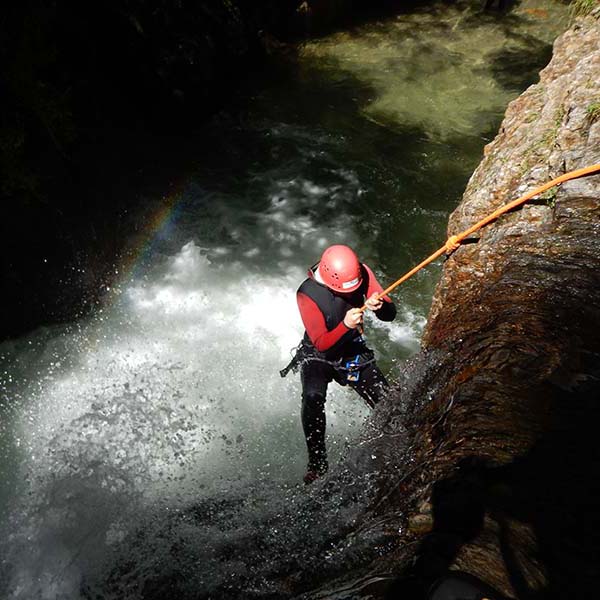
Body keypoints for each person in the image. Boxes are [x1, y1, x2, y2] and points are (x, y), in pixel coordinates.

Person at [294, 244, 397, 484]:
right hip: (319, 354)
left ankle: (394, 445)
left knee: (391, 404)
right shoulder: (307, 293)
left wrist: (380, 305)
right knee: (312, 397)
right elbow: (322, 344)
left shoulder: (361, 273)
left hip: (352, 351)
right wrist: (346, 326)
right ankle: (317, 463)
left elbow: (390, 315)